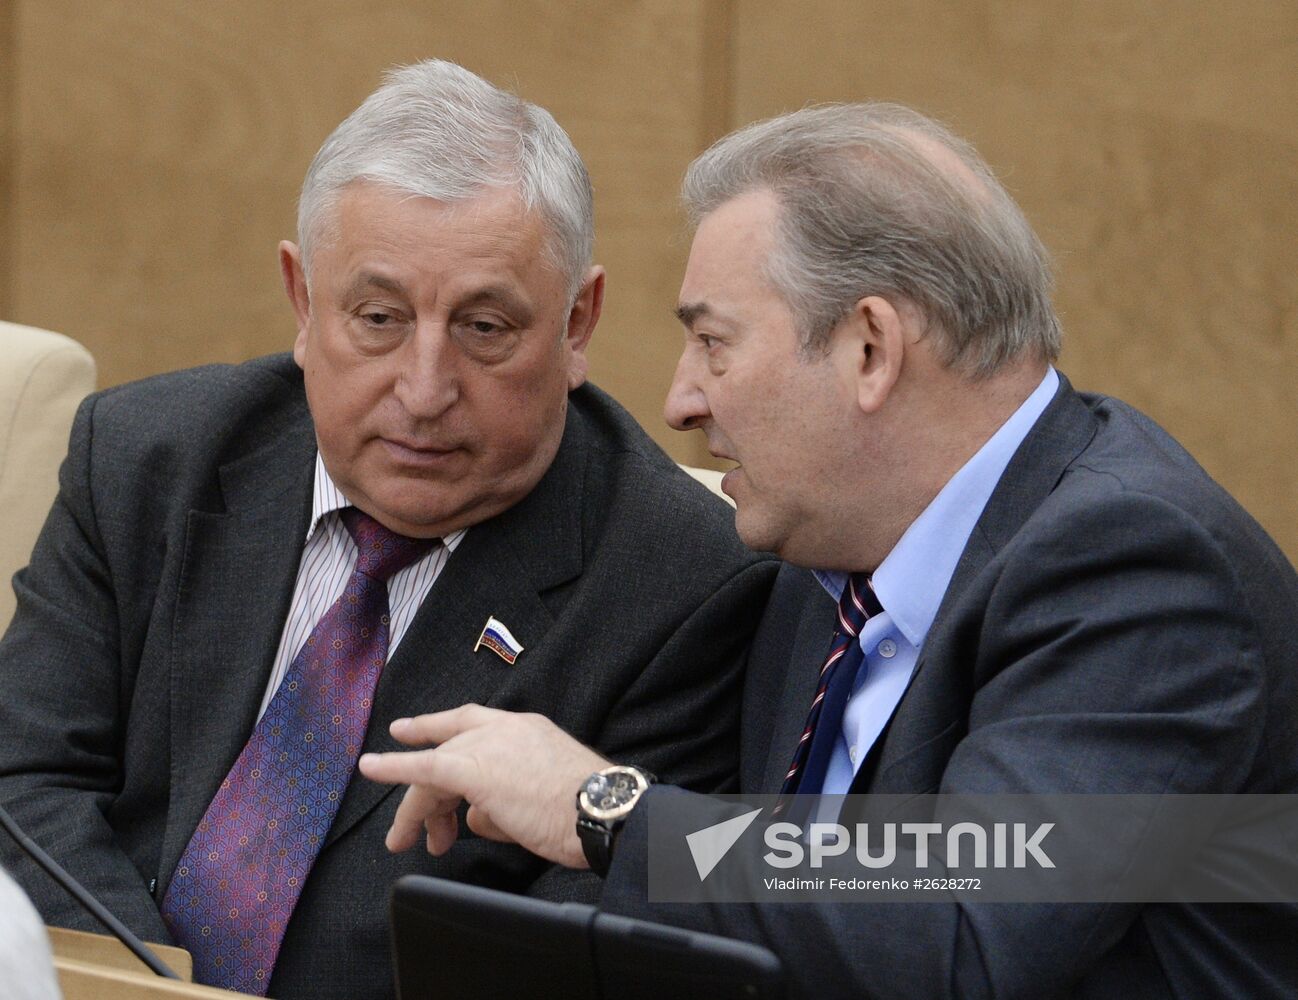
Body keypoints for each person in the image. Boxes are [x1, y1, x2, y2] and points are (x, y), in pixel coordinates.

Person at [358, 103, 1298, 998]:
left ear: (869, 350)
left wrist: (607, 810)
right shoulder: (827, 552)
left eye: (715, 345)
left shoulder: (1138, 569)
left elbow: (968, 925)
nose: (683, 402)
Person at [0, 61, 774, 1000]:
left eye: (485, 328)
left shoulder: (682, 584)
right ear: (302, 300)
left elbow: (580, 949)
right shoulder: (145, 457)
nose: (423, 390)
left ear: (576, 324)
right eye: (378, 318)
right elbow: (23, 786)